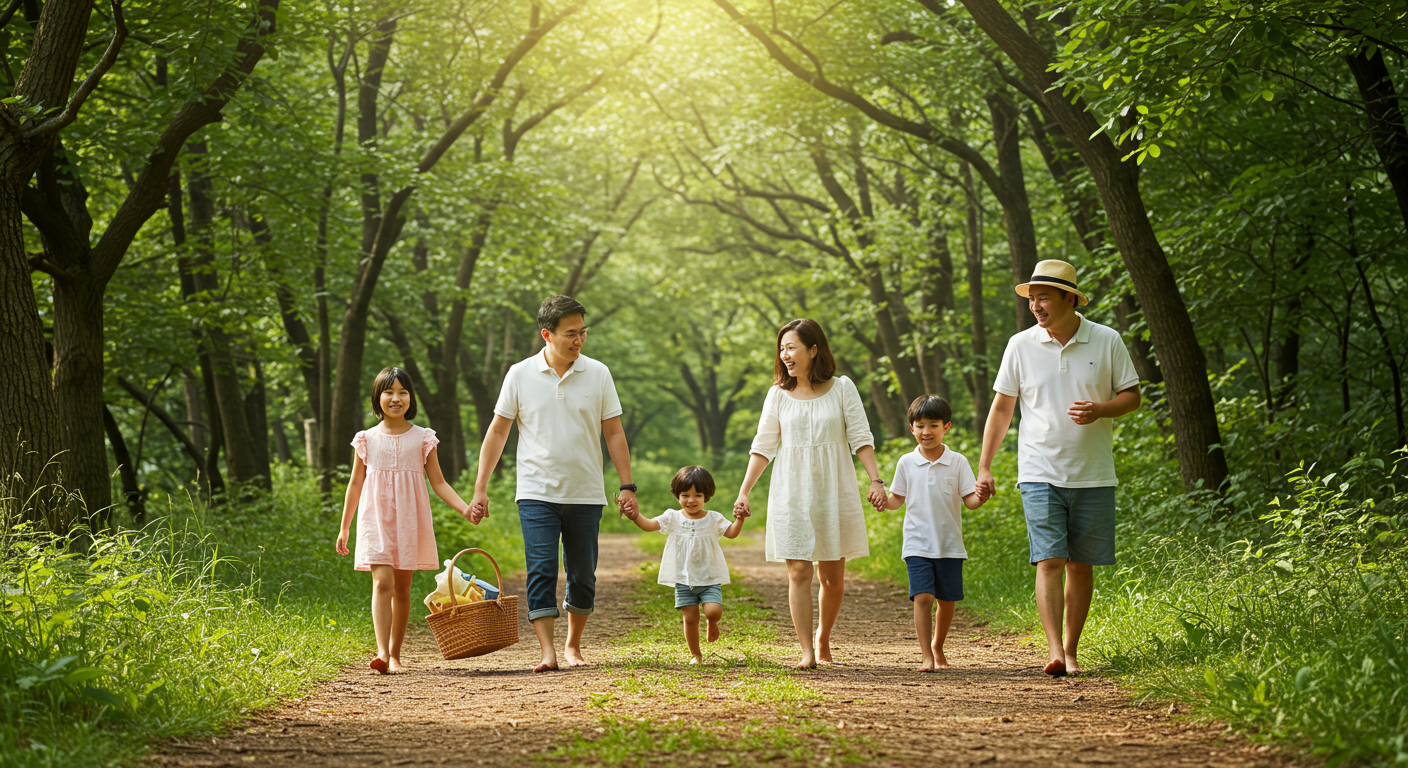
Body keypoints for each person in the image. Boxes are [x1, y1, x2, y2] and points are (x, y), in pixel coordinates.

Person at [975, 260, 1141, 677]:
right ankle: (1054, 651)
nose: (1035, 306)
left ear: (1070, 297)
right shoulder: (1020, 345)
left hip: (1094, 472)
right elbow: (1002, 409)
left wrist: (1101, 409)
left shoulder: (1106, 340)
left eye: (1043, 297)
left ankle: (1071, 648)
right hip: (1039, 469)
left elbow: (1132, 396)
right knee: (1049, 560)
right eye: (1032, 298)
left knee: (1080, 565)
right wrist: (985, 466)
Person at [468, 295, 638, 673]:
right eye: (570, 334)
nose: (579, 340)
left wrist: (628, 486)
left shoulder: (598, 373)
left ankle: (573, 644)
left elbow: (613, 432)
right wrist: (480, 488)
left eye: (583, 332)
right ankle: (547, 651)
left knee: (582, 572)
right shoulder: (520, 374)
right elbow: (497, 433)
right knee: (540, 569)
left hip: (586, 491)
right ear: (547, 334)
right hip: (535, 492)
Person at [734, 318, 886, 669]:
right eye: (782, 348)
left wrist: (875, 480)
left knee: (832, 579)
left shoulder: (843, 388)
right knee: (799, 571)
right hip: (791, 490)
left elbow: (861, 437)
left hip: (834, 488)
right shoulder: (778, 395)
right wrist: (744, 492)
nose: (786, 354)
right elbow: (763, 447)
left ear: (814, 349)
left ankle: (823, 635)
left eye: (793, 347)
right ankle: (807, 651)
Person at [336, 367, 474, 674]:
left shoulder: (422, 438)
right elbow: (355, 483)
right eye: (388, 392)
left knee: (402, 588)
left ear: (410, 398)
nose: (395, 398)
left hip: (410, 521)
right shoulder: (366, 439)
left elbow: (438, 483)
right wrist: (345, 526)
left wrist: (464, 509)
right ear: (378, 397)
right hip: (376, 520)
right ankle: (382, 653)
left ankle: (396, 654)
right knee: (382, 582)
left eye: (402, 392)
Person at [874, 396, 987, 672]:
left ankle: (938, 644)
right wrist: (881, 500)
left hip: (949, 544)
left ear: (946, 427)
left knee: (946, 601)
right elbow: (896, 500)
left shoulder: (958, 462)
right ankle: (926, 654)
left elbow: (970, 501)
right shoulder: (906, 462)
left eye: (933, 425)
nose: (926, 432)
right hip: (917, 543)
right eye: (920, 425)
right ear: (911, 428)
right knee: (923, 596)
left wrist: (982, 495)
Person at [621, 466, 746, 664]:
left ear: (707, 496)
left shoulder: (713, 518)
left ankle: (712, 622)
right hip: (683, 578)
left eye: (698, 495)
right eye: (685, 495)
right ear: (677, 495)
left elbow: (731, 532)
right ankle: (696, 654)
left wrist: (739, 519)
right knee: (690, 618)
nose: (691, 500)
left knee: (713, 610)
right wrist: (635, 516)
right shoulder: (672, 517)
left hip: (709, 577)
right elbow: (649, 525)